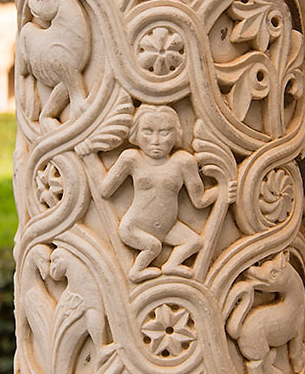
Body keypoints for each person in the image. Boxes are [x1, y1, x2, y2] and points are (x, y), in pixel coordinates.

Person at [98, 104, 231, 281]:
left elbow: (199, 201)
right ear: (136, 134)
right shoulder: (131, 159)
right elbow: (105, 190)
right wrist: (90, 155)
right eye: (148, 131)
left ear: (176, 134)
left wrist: (221, 191)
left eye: (164, 132)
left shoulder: (183, 162)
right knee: (153, 246)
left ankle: (171, 265)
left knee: (195, 242)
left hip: (168, 227)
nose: (156, 140)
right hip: (134, 228)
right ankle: (136, 271)